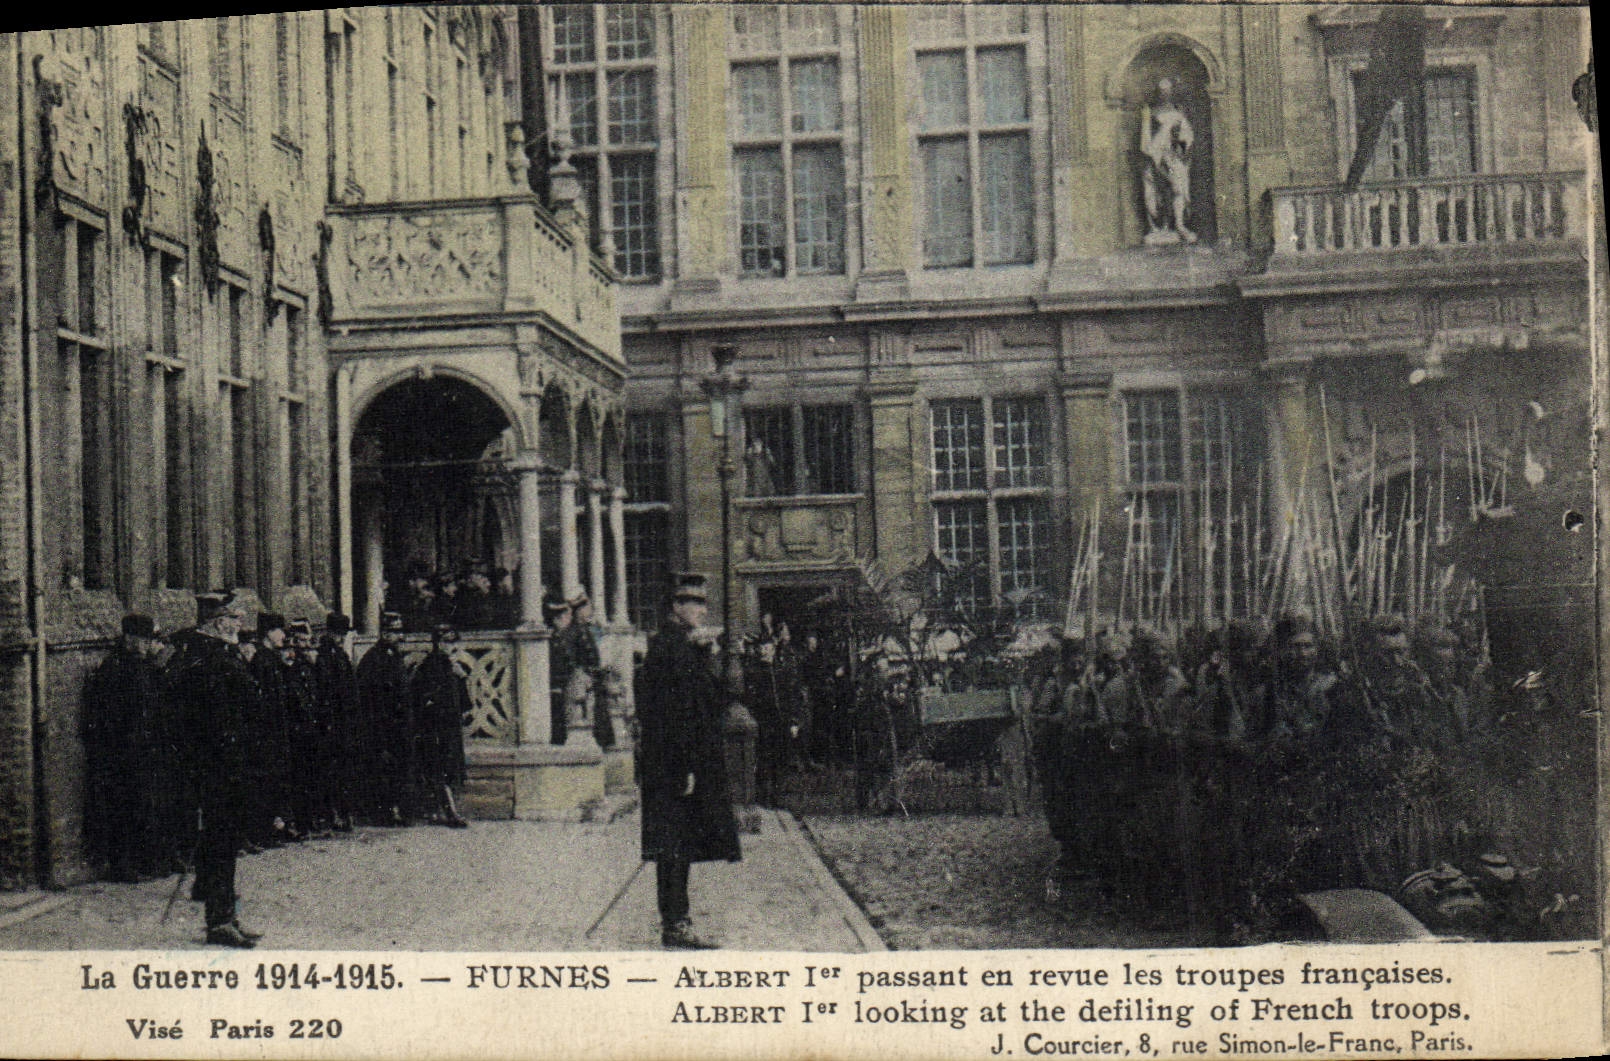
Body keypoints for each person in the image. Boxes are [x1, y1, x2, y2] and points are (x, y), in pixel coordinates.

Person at [637, 573, 741, 949]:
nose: (700, 609)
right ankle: (675, 923)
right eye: (692, 603)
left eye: (702, 603)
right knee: (674, 845)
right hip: (674, 763)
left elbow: (709, 699)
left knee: (678, 844)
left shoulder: (680, 647)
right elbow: (672, 714)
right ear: (676, 607)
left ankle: (677, 919)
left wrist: (706, 654)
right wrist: (684, 769)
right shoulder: (671, 650)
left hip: (675, 761)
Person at [166, 591, 261, 948]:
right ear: (220, 623)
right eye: (235, 619)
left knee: (225, 843)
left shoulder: (207, 654)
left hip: (224, 765)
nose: (239, 626)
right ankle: (220, 921)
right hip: (217, 767)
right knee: (221, 843)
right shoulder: (210, 658)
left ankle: (227, 915)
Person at [83, 614, 165, 881]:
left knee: (141, 805)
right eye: (142, 640)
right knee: (121, 807)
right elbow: (108, 715)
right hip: (122, 752)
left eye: (148, 641)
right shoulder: (115, 668)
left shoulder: (141, 666)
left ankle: (142, 861)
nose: (145, 646)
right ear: (129, 639)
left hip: (143, 749)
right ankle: (121, 865)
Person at [408, 625, 471, 828]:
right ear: (437, 643)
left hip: (449, 725)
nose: (450, 646)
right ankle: (448, 812)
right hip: (436, 726)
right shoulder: (432, 665)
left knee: (445, 768)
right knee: (441, 768)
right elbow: (424, 697)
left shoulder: (450, 665)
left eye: (452, 642)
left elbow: (462, 700)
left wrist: (462, 678)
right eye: (445, 642)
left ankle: (438, 810)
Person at [357, 612, 414, 825]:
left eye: (401, 631)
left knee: (398, 768)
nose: (401, 637)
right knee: (384, 769)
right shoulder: (373, 660)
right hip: (382, 728)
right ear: (384, 633)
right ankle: (386, 812)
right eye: (396, 632)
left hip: (398, 727)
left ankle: (397, 809)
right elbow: (369, 699)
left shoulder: (394, 657)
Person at [314, 613, 359, 832]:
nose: (340, 638)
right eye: (338, 634)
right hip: (332, 719)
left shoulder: (339, 654)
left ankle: (343, 811)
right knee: (331, 769)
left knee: (343, 768)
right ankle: (333, 813)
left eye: (342, 634)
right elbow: (327, 690)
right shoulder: (324, 656)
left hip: (343, 720)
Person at [1140, 76, 1196, 245]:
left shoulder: (1179, 111)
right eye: (1162, 91)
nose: (1165, 94)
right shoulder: (1150, 112)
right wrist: (1153, 155)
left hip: (1175, 156)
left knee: (1179, 188)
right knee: (1158, 193)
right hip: (1156, 157)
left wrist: (1183, 148)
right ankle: (1160, 227)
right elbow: (1146, 138)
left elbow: (1187, 134)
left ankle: (1179, 224)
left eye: (1168, 91)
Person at [545, 595, 574, 745]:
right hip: (554, 684)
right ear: (556, 619)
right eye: (565, 617)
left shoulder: (560, 637)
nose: (568, 620)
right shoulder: (553, 639)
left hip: (561, 683)